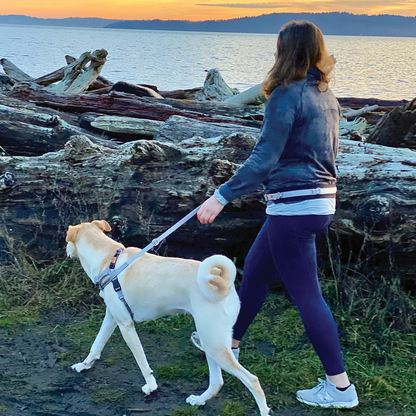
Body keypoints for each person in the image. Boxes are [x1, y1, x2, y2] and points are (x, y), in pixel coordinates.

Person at [192, 20, 359, 409]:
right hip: (316, 203)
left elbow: (264, 160)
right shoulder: (326, 94)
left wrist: (221, 196)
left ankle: (340, 389)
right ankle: (227, 345)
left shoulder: (286, 95)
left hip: (295, 207)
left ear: (285, 51)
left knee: (307, 296)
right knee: (254, 270)